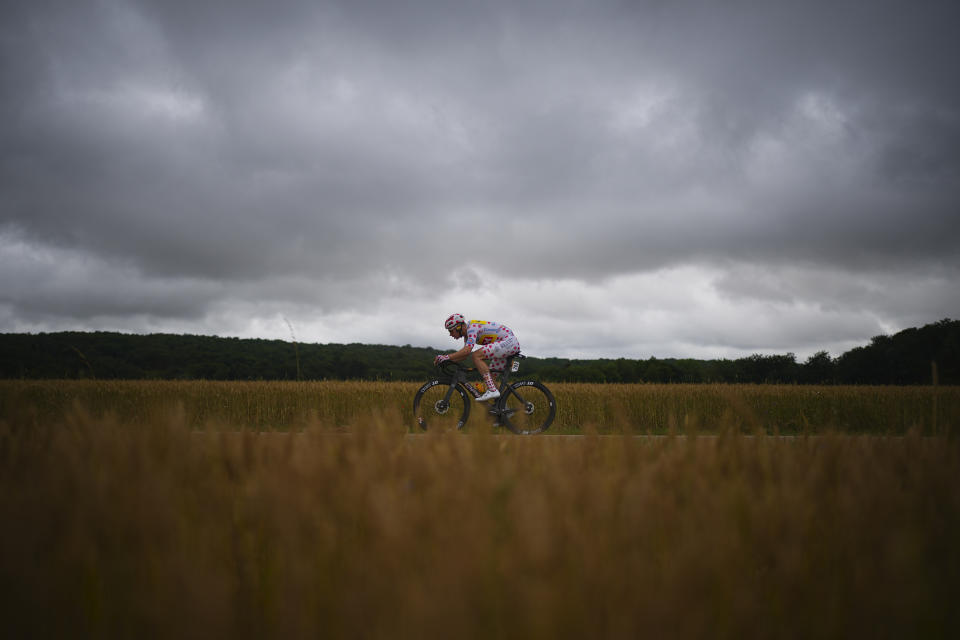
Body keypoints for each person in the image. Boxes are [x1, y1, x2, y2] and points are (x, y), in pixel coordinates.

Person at [434, 313, 520, 401]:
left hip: (509, 341)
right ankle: (502, 409)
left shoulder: (472, 328)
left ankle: (492, 390)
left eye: (451, 331)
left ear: (459, 327)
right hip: (506, 343)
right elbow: (464, 355)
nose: (450, 334)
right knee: (491, 377)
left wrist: (446, 357)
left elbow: (467, 350)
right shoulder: (467, 335)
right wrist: (446, 360)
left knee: (476, 355)